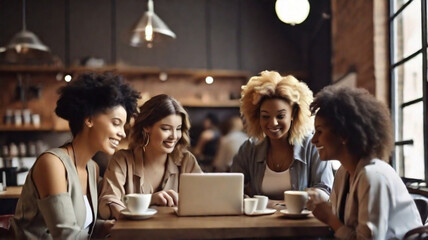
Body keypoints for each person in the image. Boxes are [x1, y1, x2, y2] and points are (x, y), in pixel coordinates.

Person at [12, 73, 140, 239]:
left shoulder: (92, 168)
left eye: (123, 126)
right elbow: (66, 235)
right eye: (116, 123)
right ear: (89, 119)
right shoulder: (52, 164)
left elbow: (84, 226)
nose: (122, 133)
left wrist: (108, 226)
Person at [309, 86, 422, 239]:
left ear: (343, 134)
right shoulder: (343, 172)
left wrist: (330, 219)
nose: (313, 140)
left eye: (319, 131)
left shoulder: (373, 176)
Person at [231, 70, 333, 207]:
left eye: (280, 116)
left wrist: (311, 197)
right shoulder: (249, 149)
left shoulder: (312, 145)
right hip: (258, 225)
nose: (273, 123)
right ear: (257, 117)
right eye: (265, 116)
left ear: (293, 114)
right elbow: (232, 190)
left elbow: (325, 190)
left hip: (302, 225)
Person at [99, 94, 203, 220]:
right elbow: (107, 203)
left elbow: (204, 199)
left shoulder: (187, 161)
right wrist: (149, 200)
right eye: (166, 129)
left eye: (179, 129)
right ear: (146, 127)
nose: (174, 136)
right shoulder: (122, 160)